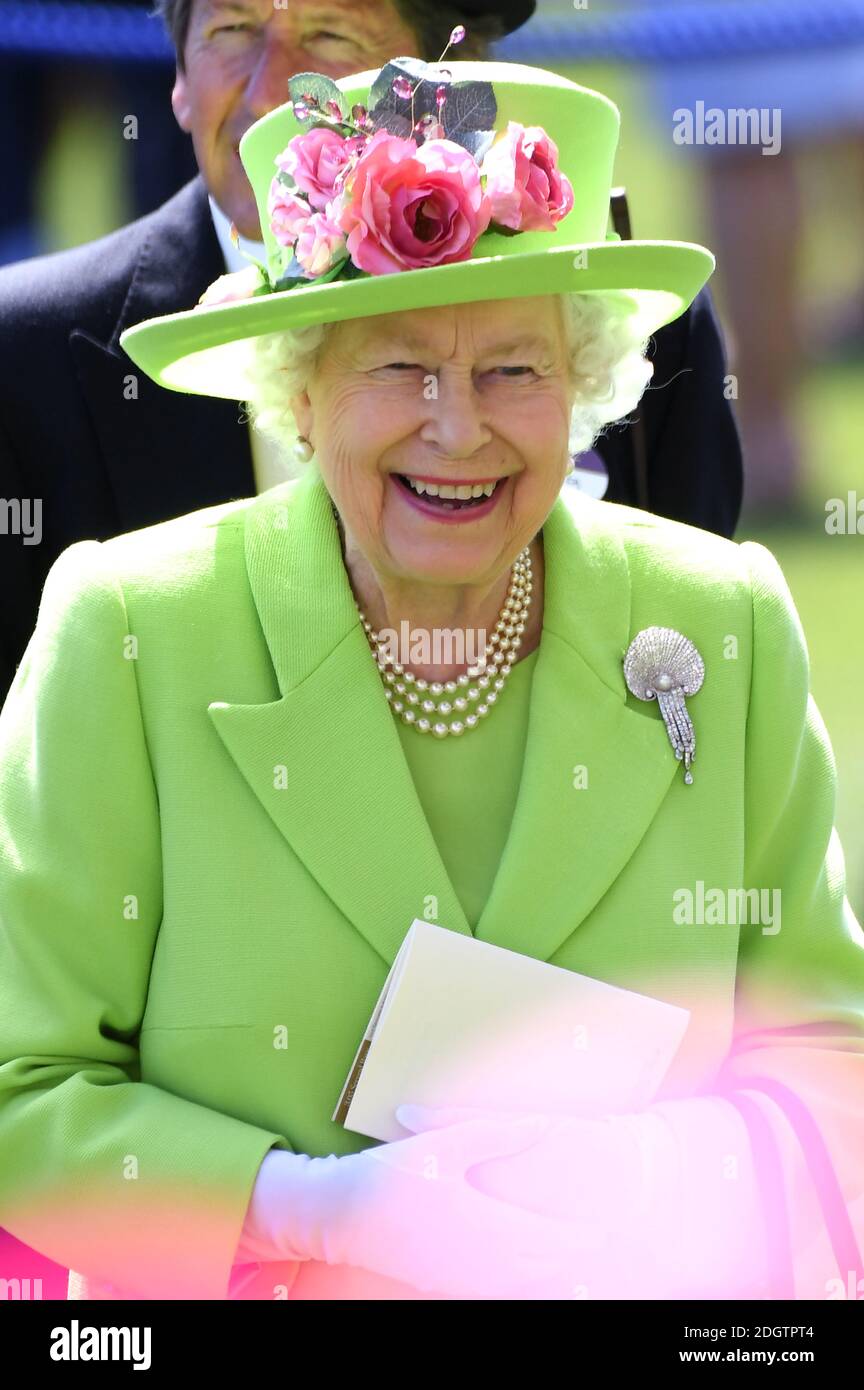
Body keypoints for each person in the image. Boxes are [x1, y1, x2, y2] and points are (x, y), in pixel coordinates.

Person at [2, 57, 855, 1303]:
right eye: (399, 368)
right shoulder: (133, 632)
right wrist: (309, 1204)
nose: (458, 429)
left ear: (589, 388)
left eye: (515, 368)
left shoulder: (718, 624)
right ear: (300, 394)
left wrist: (682, 1164)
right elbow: (21, 1089)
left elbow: (830, 1053)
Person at [0, 0, 742, 711]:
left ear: (455, 77)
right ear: (180, 80)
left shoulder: (638, 326)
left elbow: (692, 690)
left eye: (331, 34)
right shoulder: (24, 360)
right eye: (230, 28)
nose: (269, 92)